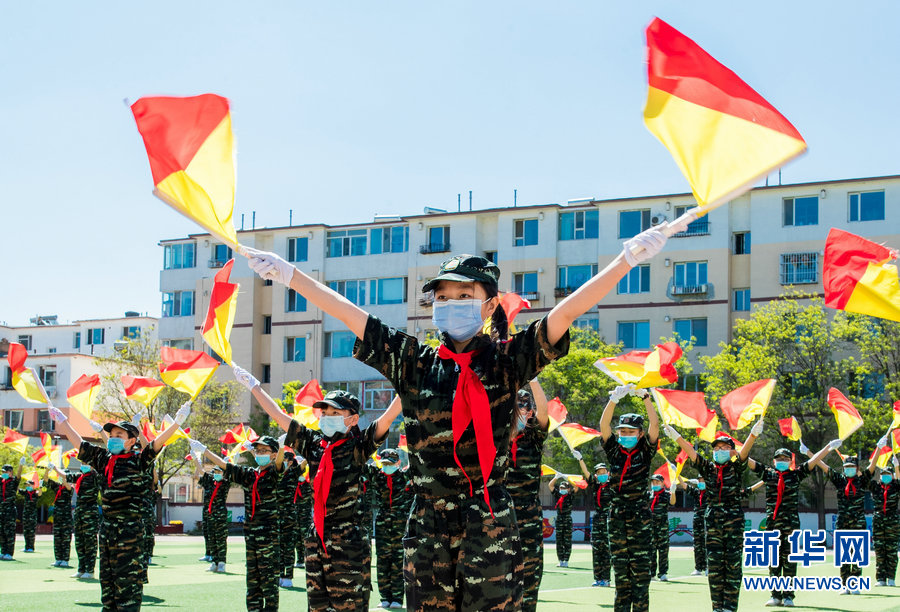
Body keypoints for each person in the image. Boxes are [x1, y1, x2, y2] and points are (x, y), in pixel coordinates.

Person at [244, 220, 666, 610]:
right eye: (443, 297)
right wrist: (289, 275)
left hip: (490, 519)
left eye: (466, 296)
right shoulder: (415, 362)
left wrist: (624, 260)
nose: (452, 304)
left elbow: (566, 313)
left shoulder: (506, 362)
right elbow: (350, 314)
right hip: (428, 523)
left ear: (489, 304)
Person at [224, 373, 401, 612]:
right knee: (316, 607)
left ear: (352, 419)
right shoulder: (314, 443)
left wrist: (411, 383)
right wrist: (254, 386)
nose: (327, 418)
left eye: (335, 414)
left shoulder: (359, 445)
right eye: (324, 413)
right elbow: (279, 415)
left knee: (348, 606)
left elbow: (388, 416)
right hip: (316, 539)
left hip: (347, 544)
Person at [49, 401, 189, 611]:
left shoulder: (139, 460)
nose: (113, 439)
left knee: (128, 594)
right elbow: (80, 444)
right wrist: (63, 422)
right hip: (107, 532)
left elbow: (156, 445)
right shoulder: (103, 459)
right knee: (108, 591)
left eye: (119, 436)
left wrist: (176, 423)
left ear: (132, 441)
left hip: (130, 534)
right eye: (111, 435)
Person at [665, 418, 762, 612]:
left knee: (733, 567)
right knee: (715, 568)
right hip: (713, 522)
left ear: (732, 451)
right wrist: (676, 436)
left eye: (725, 448)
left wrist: (753, 434)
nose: (720, 451)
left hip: (733, 522)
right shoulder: (708, 469)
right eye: (716, 449)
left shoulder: (736, 467)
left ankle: (730, 607)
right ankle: (717, 607)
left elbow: (744, 453)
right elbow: (692, 453)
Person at [194, 434, 284, 611]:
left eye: (264, 451)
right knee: (252, 580)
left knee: (269, 582)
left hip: (268, 537)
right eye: (257, 450)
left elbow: (280, 465)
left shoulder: (275, 473)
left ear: (273, 454)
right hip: (250, 535)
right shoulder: (250, 474)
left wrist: (281, 448)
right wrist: (204, 451)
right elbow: (226, 466)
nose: (260, 454)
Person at [747, 443, 835, 607]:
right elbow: (748, 460)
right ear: (774, 461)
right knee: (773, 561)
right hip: (772, 525)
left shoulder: (795, 475)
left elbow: (814, 460)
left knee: (789, 561)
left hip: (791, 525)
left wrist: (827, 447)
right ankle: (775, 595)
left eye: (785, 459)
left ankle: (788, 596)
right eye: (779, 459)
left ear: (790, 461)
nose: (782, 461)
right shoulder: (768, 474)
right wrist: (737, 450)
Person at [597, 384, 659, 612]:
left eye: (631, 432)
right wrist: (613, 399)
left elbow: (655, 424)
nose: (625, 435)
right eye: (622, 432)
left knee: (640, 575)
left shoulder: (645, 451)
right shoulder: (614, 450)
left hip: (639, 516)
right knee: (621, 575)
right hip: (617, 515)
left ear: (639, 434)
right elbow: (604, 425)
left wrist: (645, 398)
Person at [506, 381, 551, 609]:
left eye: (522, 409)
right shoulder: (495, 438)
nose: (517, 414)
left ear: (529, 411)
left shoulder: (533, 438)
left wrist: (533, 378)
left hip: (528, 516)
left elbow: (545, 411)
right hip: (499, 517)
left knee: (530, 580)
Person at [809, 446, 869, 594]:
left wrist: (879, 449)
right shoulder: (840, 480)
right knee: (844, 553)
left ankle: (855, 583)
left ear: (857, 468)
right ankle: (844, 583)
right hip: (843, 522)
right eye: (846, 467)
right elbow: (823, 465)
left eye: (852, 467)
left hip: (858, 523)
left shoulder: (862, 481)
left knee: (857, 553)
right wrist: (809, 452)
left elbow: (872, 466)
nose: (849, 469)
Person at [369, 448, 411, 609]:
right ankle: (385, 597)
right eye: (384, 464)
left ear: (398, 463)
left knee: (399, 561)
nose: (386, 467)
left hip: (400, 524)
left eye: (390, 464)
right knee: (383, 561)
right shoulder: (378, 476)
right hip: (382, 525)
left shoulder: (405, 476)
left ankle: (398, 599)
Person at [867, 442, 900, 587]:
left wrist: (897, 466)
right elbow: (867, 476)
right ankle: (881, 578)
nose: (886, 477)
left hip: (892, 521)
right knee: (880, 550)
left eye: (888, 474)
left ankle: (891, 577)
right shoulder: (876, 487)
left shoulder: (895, 487)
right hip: (879, 520)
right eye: (884, 474)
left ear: (892, 476)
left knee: (892, 550)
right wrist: (878, 451)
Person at [578, 461, 612, 587]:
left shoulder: (612, 485)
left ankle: (606, 579)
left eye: (603, 471)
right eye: (599, 472)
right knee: (597, 549)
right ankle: (598, 578)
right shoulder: (595, 485)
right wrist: (581, 459)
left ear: (607, 473)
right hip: (598, 519)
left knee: (607, 550)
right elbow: (586, 473)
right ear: (596, 475)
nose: (602, 474)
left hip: (609, 518)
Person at [69, 462, 101, 579]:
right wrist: (54, 468)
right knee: (79, 541)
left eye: (86, 463)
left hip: (90, 512)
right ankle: (81, 569)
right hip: (80, 512)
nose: (83, 465)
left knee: (90, 543)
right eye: (82, 463)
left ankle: (90, 570)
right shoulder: (80, 477)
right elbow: (66, 476)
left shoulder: (95, 477)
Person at [198, 461, 230, 574]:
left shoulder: (225, 483)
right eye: (215, 471)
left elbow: (231, 472)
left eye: (219, 472)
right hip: (210, 515)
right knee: (212, 539)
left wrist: (230, 462)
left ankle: (222, 563)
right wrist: (196, 459)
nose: (217, 474)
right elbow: (202, 472)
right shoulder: (211, 483)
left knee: (221, 540)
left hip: (220, 515)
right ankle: (214, 562)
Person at [277, 449, 303, 587]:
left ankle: (288, 576)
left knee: (288, 546)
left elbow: (304, 465)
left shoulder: (293, 474)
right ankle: (280, 574)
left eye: (285, 460)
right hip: (276, 515)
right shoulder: (277, 474)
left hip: (288, 515)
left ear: (291, 462)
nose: (283, 462)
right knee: (278, 547)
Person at [647, 474, 676, 582]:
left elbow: (672, 502)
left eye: (657, 482)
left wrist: (673, 492)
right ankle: (652, 573)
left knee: (663, 551)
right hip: (651, 527)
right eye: (653, 482)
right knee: (651, 551)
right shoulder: (649, 495)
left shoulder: (666, 494)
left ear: (662, 483)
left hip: (662, 527)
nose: (655, 484)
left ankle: (663, 573)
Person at [46, 465, 75, 569]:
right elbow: (46, 480)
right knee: (57, 538)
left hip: (66, 518)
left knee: (66, 539)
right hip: (57, 517)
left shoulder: (70, 488)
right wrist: (47, 470)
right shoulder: (57, 487)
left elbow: (67, 485)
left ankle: (65, 560)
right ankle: (58, 558)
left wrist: (63, 476)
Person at [681, 475, 708, 576]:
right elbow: (684, 486)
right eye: (700, 480)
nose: (701, 482)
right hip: (697, 520)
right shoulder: (697, 492)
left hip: (707, 520)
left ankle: (707, 567)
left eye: (703, 480)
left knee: (707, 544)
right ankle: (698, 568)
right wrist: (678, 474)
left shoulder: (711, 492)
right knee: (697, 544)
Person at [0, 458, 26, 560]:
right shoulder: (1, 481)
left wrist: (20, 465)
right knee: (2, 532)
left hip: (10, 510)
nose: (3, 473)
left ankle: (9, 553)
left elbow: (18, 476)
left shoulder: (13, 482)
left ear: (10, 472)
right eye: (2, 472)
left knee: (9, 532)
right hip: (2, 510)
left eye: (5, 472)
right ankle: (3, 551)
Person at [550, 476, 575, 568]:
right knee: (559, 541)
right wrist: (556, 477)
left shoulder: (570, 496)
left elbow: (576, 487)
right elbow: (550, 486)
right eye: (561, 488)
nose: (562, 489)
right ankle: (560, 560)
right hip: (559, 519)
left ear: (568, 489)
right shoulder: (558, 495)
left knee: (567, 541)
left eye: (564, 488)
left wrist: (568, 479)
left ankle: (566, 560)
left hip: (567, 519)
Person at [293, 464, 313, 569]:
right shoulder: (294, 484)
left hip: (305, 516)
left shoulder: (308, 485)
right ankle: (300, 559)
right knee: (297, 538)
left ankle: (307, 558)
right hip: (296, 515)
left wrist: (304, 483)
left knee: (305, 538)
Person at [196, 461, 216, 563]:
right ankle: (208, 553)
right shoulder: (207, 484)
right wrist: (198, 461)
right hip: (206, 511)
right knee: (206, 532)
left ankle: (214, 554)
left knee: (213, 534)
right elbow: (196, 476)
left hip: (216, 512)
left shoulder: (220, 484)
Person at [21, 477, 41, 553]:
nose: (27, 486)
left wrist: (41, 487)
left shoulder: (35, 493)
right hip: (26, 514)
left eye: (29, 485)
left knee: (31, 531)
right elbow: (17, 490)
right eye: (27, 485)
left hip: (32, 515)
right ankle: (26, 546)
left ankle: (31, 547)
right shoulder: (26, 492)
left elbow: (39, 494)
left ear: (33, 485)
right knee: (26, 531)